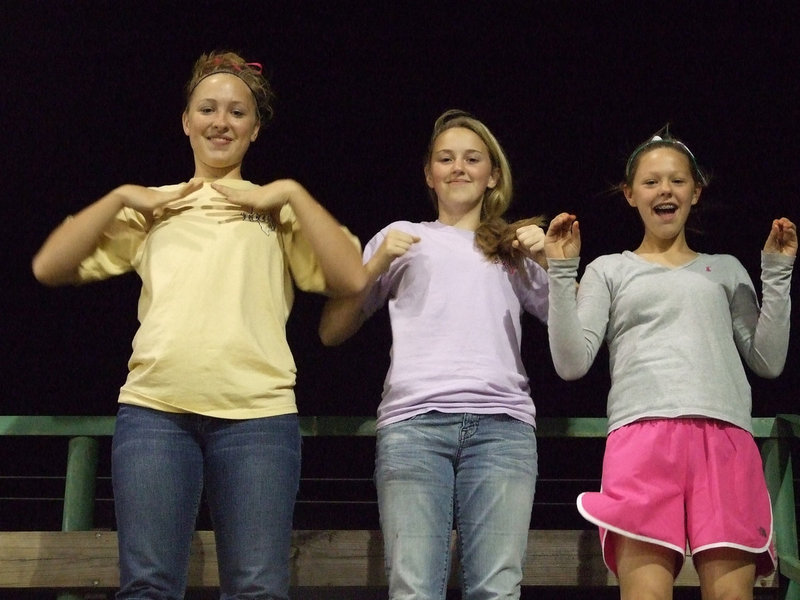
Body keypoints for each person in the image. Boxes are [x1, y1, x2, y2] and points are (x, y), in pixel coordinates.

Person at [31, 50, 367, 599]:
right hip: (156, 413)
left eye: (237, 112)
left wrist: (291, 193)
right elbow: (49, 267)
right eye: (207, 108)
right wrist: (121, 196)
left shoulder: (275, 208)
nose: (221, 121)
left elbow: (352, 278)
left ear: (255, 128)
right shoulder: (155, 206)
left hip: (258, 417)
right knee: (147, 586)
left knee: (258, 587)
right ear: (186, 121)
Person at [543, 127, 797, 600]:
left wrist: (777, 273)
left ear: (695, 192)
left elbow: (768, 360)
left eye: (677, 181)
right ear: (630, 194)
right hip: (642, 440)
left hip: (724, 439)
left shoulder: (724, 268)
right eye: (651, 181)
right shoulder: (609, 269)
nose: (665, 190)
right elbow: (572, 363)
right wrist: (561, 272)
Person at [319, 109, 548, 599]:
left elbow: (571, 326)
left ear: (493, 176)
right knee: (414, 588)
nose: (459, 167)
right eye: (446, 158)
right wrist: (377, 262)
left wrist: (551, 259)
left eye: (472, 158)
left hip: (502, 430)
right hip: (414, 427)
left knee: (497, 589)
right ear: (429, 173)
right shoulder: (402, 236)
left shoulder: (511, 246)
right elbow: (332, 332)